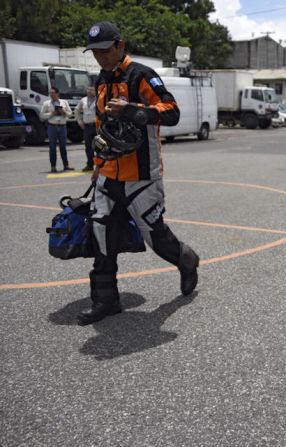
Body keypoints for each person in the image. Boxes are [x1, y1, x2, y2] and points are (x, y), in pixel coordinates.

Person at [77, 21, 200, 325]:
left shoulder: (142, 75)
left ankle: (186, 259)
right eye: (95, 53)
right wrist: (96, 166)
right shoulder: (101, 81)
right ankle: (106, 300)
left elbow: (172, 112)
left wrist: (133, 110)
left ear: (120, 46)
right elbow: (100, 128)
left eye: (105, 51)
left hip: (142, 177)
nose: (101, 58)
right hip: (108, 175)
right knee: (102, 232)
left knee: (155, 236)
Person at [40, 87, 73, 173]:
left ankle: (66, 165)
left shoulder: (64, 102)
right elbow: (42, 115)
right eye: (50, 93)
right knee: (52, 147)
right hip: (52, 127)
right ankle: (53, 166)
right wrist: (52, 113)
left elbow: (70, 114)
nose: (51, 94)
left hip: (62, 126)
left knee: (63, 147)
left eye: (53, 93)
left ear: (57, 94)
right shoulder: (46, 103)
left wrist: (63, 112)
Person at [74, 85, 98, 171]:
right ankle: (90, 164)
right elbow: (77, 110)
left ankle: (100, 166)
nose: (89, 91)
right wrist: (79, 122)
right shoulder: (83, 100)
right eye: (88, 90)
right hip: (87, 126)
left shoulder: (98, 99)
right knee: (88, 146)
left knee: (99, 146)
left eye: (91, 90)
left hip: (96, 126)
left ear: (95, 91)